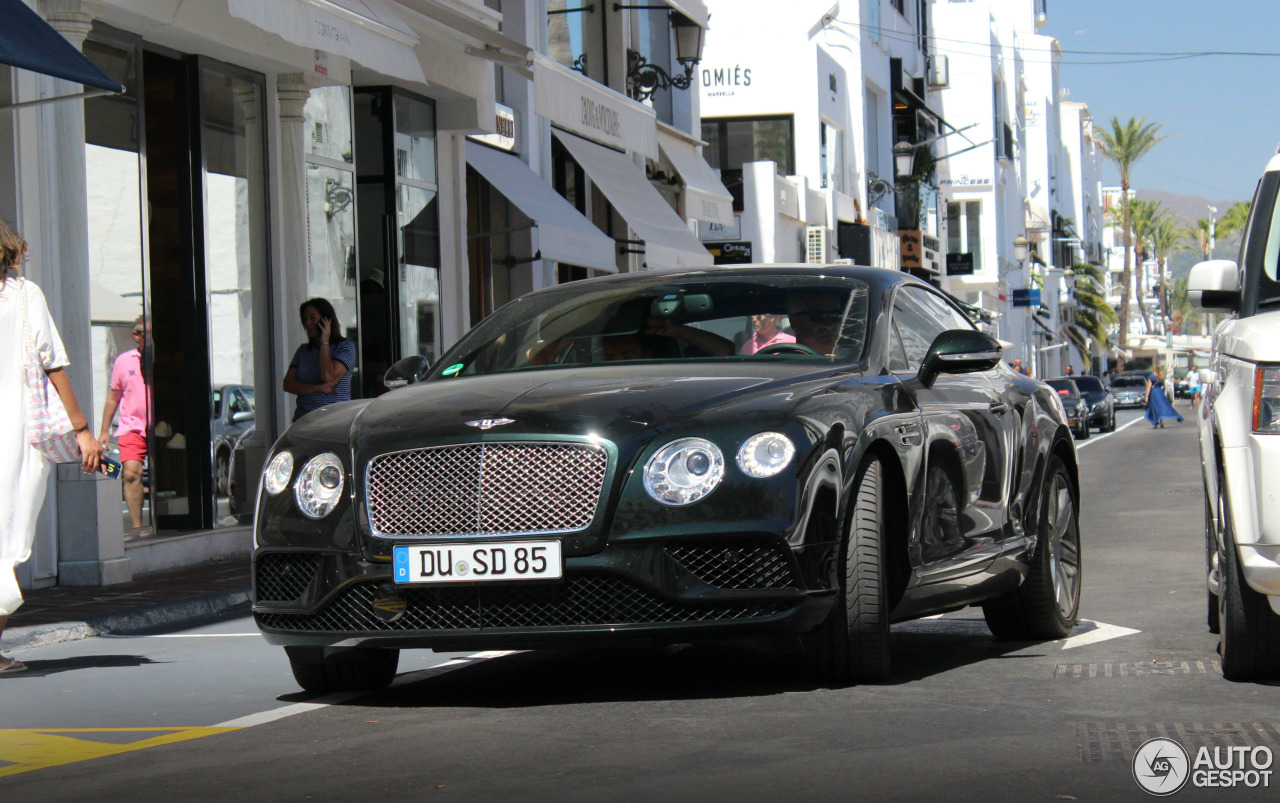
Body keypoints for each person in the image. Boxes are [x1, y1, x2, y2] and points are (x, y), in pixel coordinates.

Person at [1, 219, 103, 673]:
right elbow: (53, 363)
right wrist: (82, 430)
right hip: (16, 436)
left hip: (17, 434)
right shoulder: (25, 297)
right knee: (8, 540)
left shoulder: (24, 297)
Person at [98, 314, 153, 531]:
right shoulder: (123, 361)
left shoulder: (164, 359)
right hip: (132, 426)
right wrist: (104, 431)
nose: (150, 338)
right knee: (130, 473)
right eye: (146, 334)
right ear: (136, 335)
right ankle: (138, 528)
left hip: (161, 426)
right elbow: (113, 397)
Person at [283, 298, 356, 422]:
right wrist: (316, 388)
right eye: (305, 319)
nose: (308, 323)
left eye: (312, 318)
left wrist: (324, 342)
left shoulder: (345, 346)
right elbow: (288, 384)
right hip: (304, 420)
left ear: (326, 320)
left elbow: (327, 375)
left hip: (334, 420)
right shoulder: (303, 350)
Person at [785, 290, 845, 355]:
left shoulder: (852, 362)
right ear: (793, 322)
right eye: (818, 316)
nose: (829, 326)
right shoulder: (780, 364)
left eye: (835, 315)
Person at [1144, 364, 1184, 429]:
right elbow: (1164, 386)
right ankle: (1162, 419)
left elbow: (1149, 386)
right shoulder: (1161, 377)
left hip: (1154, 392)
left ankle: (1155, 423)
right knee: (1163, 405)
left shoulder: (1151, 376)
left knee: (1154, 407)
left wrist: (1147, 396)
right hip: (1160, 391)